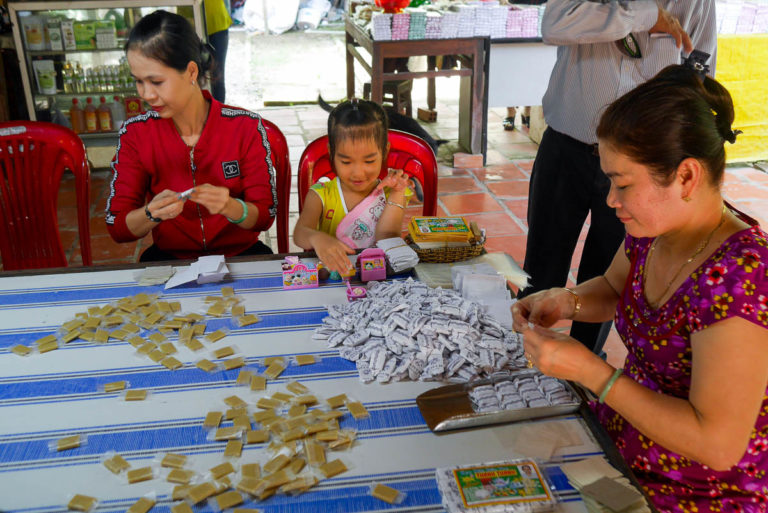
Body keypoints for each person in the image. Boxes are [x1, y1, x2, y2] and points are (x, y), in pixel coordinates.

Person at [512, 63, 768, 509]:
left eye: (622, 184)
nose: (611, 201)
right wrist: (566, 301)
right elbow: (614, 288)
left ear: (686, 177)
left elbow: (717, 444)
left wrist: (591, 371)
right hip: (623, 444)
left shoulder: (741, 276)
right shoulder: (654, 230)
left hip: (696, 490)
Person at [519, 0, 717, 354]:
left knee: (611, 271)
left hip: (641, 167)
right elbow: (556, 24)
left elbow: (700, 66)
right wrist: (646, 16)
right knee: (542, 262)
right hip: (568, 144)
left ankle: (583, 361)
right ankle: (524, 352)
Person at [105, 10, 277, 261]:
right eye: (139, 81)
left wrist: (230, 207)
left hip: (240, 255)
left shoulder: (245, 127)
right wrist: (151, 214)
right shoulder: (136, 133)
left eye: (156, 81)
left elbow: (263, 216)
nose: (146, 94)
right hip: (171, 258)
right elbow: (118, 227)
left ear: (192, 72)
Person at [293, 99, 412, 274]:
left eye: (369, 161)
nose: (358, 173)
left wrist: (397, 194)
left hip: (379, 282)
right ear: (332, 154)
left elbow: (387, 239)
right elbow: (299, 234)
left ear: (385, 152)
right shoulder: (322, 194)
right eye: (346, 162)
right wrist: (316, 238)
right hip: (334, 279)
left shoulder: (390, 193)